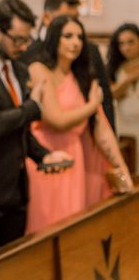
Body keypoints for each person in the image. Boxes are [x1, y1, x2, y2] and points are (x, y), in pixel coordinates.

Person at [0, 0, 71, 253]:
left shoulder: (16, 68)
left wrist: (44, 155)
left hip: (18, 189)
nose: (23, 47)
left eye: (27, 40)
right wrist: (34, 108)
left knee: (13, 269)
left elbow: (18, 130)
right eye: (18, 39)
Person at [25, 16, 132, 232]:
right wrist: (92, 105)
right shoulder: (39, 69)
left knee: (72, 226)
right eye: (68, 36)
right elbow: (57, 120)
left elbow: (101, 128)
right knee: (47, 226)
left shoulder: (82, 76)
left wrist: (122, 170)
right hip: (48, 159)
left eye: (79, 37)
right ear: (55, 38)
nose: (75, 42)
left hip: (75, 156)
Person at [21, 0, 116, 132]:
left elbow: (106, 98)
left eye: (76, 18)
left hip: (85, 134)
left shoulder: (90, 50)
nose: (71, 23)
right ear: (47, 18)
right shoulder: (27, 54)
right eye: (66, 17)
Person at [108, 23, 139, 172]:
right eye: (121, 43)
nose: (126, 47)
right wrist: (128, 80)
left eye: (131, 42)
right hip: (125, 126)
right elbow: (110, 94)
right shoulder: (117, 68)